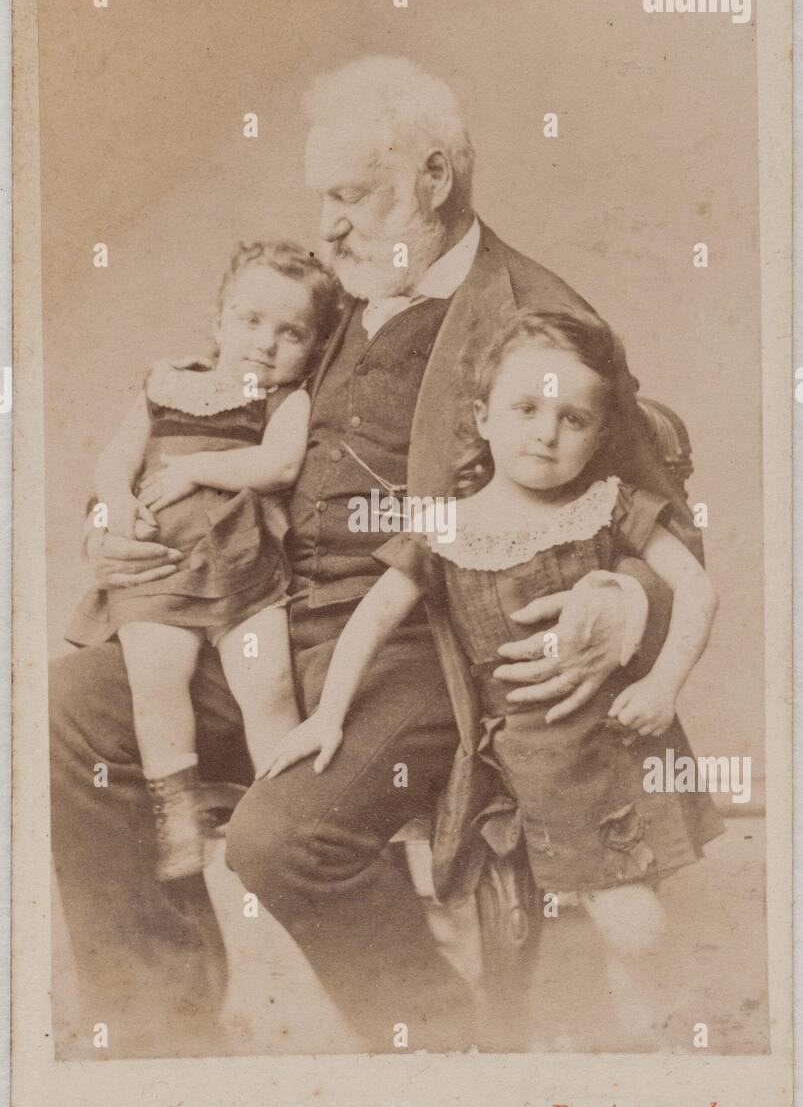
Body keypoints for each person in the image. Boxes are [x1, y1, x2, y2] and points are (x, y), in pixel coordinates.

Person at [50, 56, 701, 1056]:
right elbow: (192, 421)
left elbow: (656, 521)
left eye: (352, 195)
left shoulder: (533, 310)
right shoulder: (337, 295)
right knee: (68, 711)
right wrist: (114, 514)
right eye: (324, 198)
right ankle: (161, 1042)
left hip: (422, 654)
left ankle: (442, 1056)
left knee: (283, 838)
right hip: (261, 621)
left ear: (435, 177)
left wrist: (623, 599)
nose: (328, 227)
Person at [263, 309, 725, 1045]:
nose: (545, 433)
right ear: (481, 417)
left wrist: (663, 683)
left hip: (604, 750)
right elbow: (375, 618)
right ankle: (525, 1049)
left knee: (632, 925)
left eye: (572, 419)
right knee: (507, 920)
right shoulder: (446, 528)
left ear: (601, 433)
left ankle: (648, 1019)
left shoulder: (609, 509)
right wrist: (327, 717)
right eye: (525, 409)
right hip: (505, 756)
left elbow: (695, 588)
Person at [66, 241, 340, 880]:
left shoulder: (283, 401)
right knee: (157, 686)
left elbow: (279, 464)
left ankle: (280, 811)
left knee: (269, 688)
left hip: (244, 568)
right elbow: (117, 458)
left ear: (312, 347)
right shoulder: (167, 386)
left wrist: (195, 469)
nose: (266, 343)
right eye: (250, 321)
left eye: (290, 332)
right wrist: (112, 498)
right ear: (218, 321)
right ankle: (178, 810)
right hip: (161, 567)